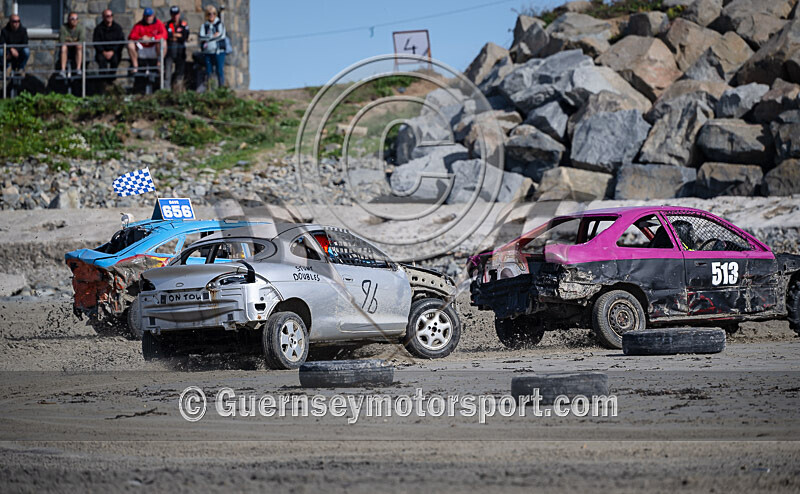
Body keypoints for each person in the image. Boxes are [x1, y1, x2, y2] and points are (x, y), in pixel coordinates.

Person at [127, 7, 166, 74]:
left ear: (153, 16)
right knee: (130, 43)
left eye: (150, 16)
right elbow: (131, 36)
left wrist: (152, 38)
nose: (148, 18)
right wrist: (140, 38)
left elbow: (164, 35)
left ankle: (159, 64)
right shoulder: (139, 25)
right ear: (144, 16)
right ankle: (135, 66)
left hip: (154, 48)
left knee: (163, 42)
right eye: (146, 16)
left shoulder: (158, 24)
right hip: (142, 48)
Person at [92, 9, 124, 85]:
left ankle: (111, 79)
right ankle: (103, 82)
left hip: (114, 52)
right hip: (102, 52)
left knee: (115, 60)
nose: (109, 17)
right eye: (107, 16)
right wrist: (103, 51)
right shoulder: (98, 29)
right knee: (101, 61)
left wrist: (112, 51)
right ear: (103, 17)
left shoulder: (117, 28)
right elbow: (96, 42)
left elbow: (120, 41)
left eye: (111, 15)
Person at [198, 5, 226, 87]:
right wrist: (212, 36)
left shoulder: (220, 24)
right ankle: (210, 88)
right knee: (208, 71)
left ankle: (221, 88)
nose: (212, 15)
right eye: (209, 14)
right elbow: (201, 37)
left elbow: (221, 36)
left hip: (218, 51)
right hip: (207, 52)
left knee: (219, 70)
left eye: (213, 13)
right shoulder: (204, 26)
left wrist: (208, 38)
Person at [164, 6, 189, 89]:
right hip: (169, 53)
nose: (175, 16)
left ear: (179, 14)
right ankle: (166, 92)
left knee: (179, 74)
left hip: (180, 52)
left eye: (177, 14)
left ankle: (178, 91)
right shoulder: (167, 24)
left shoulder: (184, 24)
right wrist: (177, 36)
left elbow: (184, 36)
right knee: (167, 74)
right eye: (173, 14)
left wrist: (175, 37)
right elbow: (166, 36)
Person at [59, 12, 84, 78]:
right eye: (72, 19)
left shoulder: (81, 28)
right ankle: (63, 70)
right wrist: (74, 42)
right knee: (63, 47)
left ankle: (78, 69)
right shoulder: (63, 28)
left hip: (76, 49)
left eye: (76, 19)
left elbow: (81, 40)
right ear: (68, 20)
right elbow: (62, 41)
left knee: (79, 46)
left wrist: (70, 42)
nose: (74, 21)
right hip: (67, 49)